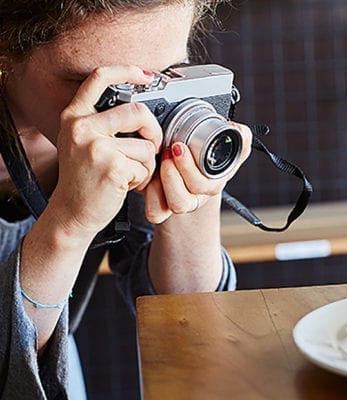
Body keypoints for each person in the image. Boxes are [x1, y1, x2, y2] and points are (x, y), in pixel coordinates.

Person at [0, 0, 252, 399]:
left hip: (47, 349)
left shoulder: (143, 122)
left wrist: (194, 200)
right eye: (98, 86)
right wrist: (68, 223)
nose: (137, 114)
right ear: (6, 51)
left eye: (162, 80)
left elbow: (193, 333)